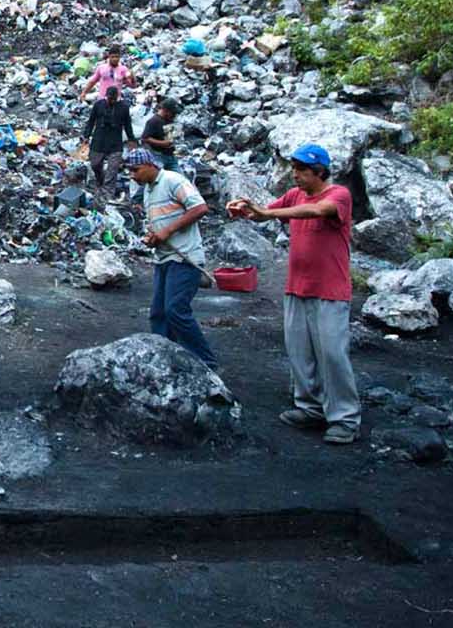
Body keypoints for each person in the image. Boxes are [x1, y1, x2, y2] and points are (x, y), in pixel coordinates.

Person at [227, 144, 360, 445]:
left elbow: (317, 210)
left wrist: (267, 211)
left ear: (320, 172)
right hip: (296, 285)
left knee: (332, 354)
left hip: (330, 289)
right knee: (300, 351)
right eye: (294, 169)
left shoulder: (338, 195)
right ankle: (310, 406)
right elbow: (267, 214)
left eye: (301, 170)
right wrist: (247, 210)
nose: (295, 175)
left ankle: (345, 418)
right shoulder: (295, 195)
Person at [127, 148, 217, 369]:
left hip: (184, 257)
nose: (132, 175)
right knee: (158, 312)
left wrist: (167, 231)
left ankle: (205, 360)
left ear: (150, 165)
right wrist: (154, 236)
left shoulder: (172, 179)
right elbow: (160, 223)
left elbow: (199, 207)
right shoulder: (148, 189)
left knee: (176, 310)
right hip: (164, 257)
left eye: (135, 170)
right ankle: (165, 358)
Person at [82, 84, 135, 197]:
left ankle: (107, 194)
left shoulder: (124, 108)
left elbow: (128, 125)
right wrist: (86, 135)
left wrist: (131, 139)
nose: (111, 101)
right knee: (95, 165)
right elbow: (91, 121)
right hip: (98, 140)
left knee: (113, 169)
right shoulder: (98, 105)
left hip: (115, 142)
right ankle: (100, 182)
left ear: (117, 97)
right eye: (109, 98)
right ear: (106, 96)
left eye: (113, 99)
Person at [141, 97, 181, 173]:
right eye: (173, 113)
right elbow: (145, 138)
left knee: (180, 178)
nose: (174, 115)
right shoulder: (154, 121)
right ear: (166, 110)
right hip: (158, 156)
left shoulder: (169, 119)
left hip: (171, 156)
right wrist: (162, 143)